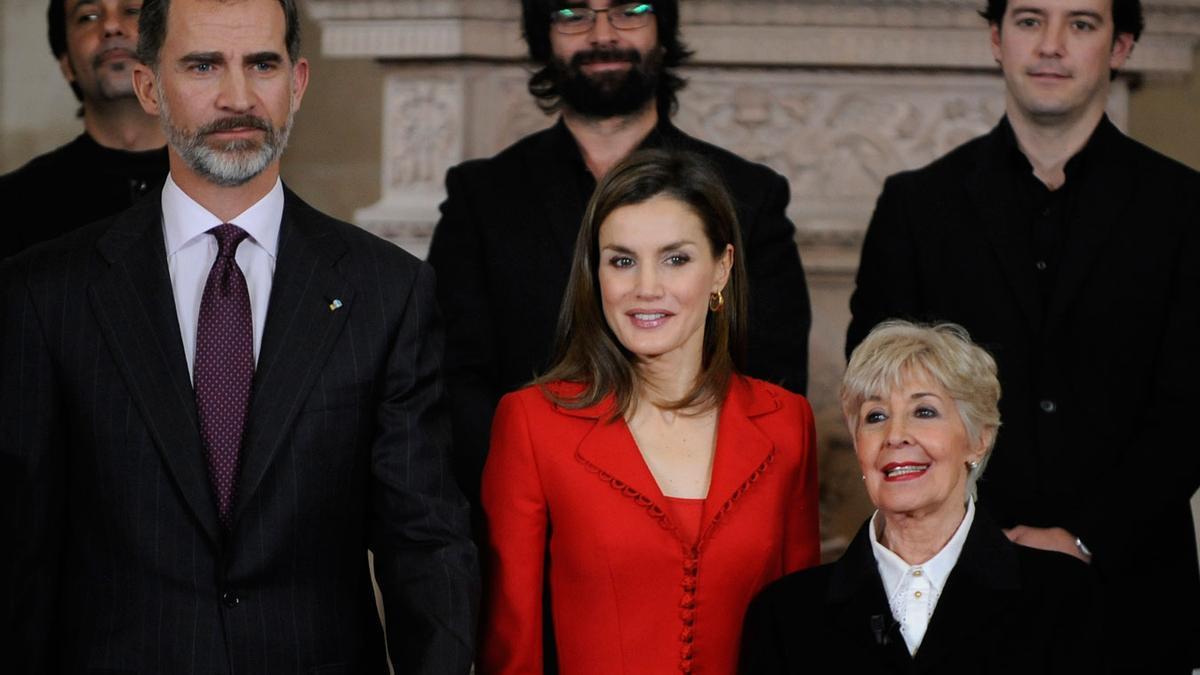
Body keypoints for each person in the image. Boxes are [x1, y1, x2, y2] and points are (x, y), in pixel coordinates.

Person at [0, 0, 478, 672]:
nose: (238, 96)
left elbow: (424, 542)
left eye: (262, 64)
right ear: (149, 86)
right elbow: (19, 551)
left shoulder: (387, 291)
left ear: (297, 82)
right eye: (202, 65)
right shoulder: (44, 294)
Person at [845, 0, 1200, 670]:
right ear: (995, 39)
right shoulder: (915, 205)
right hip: (954, 589)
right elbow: (880, 394)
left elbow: (1192, 407)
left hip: (1134, 594)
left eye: (1083, 24)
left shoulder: (1185, 208)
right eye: (1030, 20)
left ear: (1120, 46)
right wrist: (980, 541)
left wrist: (1088, 538)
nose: (1052, 45)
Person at [428, 0, 811, 511]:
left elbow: (772, 383)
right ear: (543, 34)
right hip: (524, 517)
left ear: (663, 29)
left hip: (703, 513)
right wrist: (526, 495)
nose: (603, 33)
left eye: (630, 10)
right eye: (573, 13)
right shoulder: (482, 197)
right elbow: (452, 379)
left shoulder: (748, 196)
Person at [479, 149, 819, 675]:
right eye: (622, 260)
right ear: (597, 275)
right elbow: (513, 647)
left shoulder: (788, 423)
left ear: (721, 269)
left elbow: (800, 635)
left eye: (676, 258)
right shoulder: (532, 423)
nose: (646, 288)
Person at [742, 321, 1101, 674]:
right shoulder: (784, 615)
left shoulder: (1062, 597)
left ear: (979, 439)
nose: (895, 435)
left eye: (924, 412)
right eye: (876, 416)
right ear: (858, 447)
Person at [0, 0, 168, 260]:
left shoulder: (225, 184)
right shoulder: (12, 205)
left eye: (133, 11)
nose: (111, 26)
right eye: (88, 17)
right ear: (66, 65)